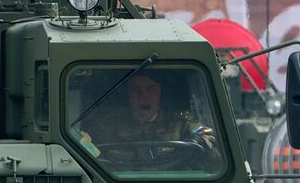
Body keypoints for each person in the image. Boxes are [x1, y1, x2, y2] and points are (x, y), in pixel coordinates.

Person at [76, 71, 218, 169]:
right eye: (136, 89)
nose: (143, 97)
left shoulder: (180, 124)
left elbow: (207, 135)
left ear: (161, 92)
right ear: (128, 93)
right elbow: (84, 149)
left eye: (151, 89)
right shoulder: (106, 127)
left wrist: (199, 141)